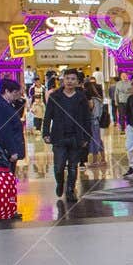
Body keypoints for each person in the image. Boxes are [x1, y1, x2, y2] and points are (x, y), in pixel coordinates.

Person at [42, 69, 92, 203]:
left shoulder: (81, 98)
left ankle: (70, 189)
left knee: (73, 166)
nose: (70, 81)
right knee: (59, 166)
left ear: (77, 81)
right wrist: (45, 133)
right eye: (67, 78)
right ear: (63, 80)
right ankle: (60, 182)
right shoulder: (55, 96)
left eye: (73, 79)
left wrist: (87, 137)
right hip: (59, 137)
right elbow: (47, 116)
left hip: (76, 137)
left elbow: (87, 118)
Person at [0, 78, 27, 179]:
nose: (16, 96)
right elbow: (4, 131)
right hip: (5, 150)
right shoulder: (0, 106)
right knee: (7, 175)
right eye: (14, 93)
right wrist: (12, 150)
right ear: (6, 91)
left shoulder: (5, 103)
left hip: (6, 148)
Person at [84, 78, 106, 164]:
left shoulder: (92, 100)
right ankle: (103, 158)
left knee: (94, 140)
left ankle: (95, 159)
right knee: (98, 139)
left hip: (93, 121)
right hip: (97, 121)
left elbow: (91, 110)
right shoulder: (99, 99)